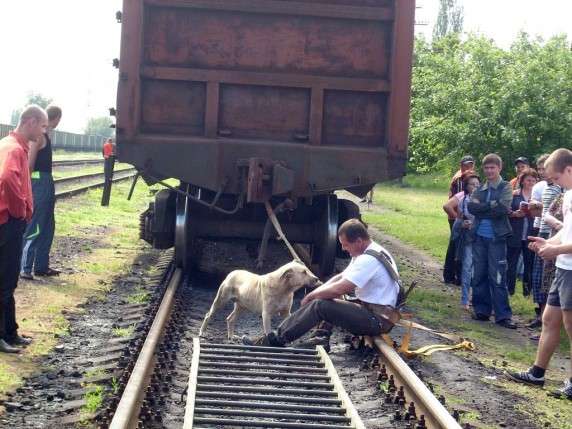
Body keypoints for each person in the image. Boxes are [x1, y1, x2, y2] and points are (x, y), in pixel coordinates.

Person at [242, 219, 400, 349]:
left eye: (346, 245)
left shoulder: (368, 260)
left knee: (321, 305)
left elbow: (339, 289)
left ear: (359, 241)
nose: (344, 249)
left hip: (376, 320)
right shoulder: (370, 251)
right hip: (373, 312)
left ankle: (276, 340)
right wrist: (319, 288)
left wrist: (312, 295)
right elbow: (340, 278)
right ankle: (320, 339)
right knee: (324, 294)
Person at [507, 148, 572, 400]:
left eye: (556, 178)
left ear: (568, 169)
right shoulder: (567, 195)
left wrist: (554, 250)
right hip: (564, 267)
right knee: (549, 319)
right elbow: (566, 233)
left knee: (569, 325)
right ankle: (537, 373)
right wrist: (547, 244)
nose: (554, 183)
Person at [0, 105, 48, 353]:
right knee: (5, 280)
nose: (43, 131)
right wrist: (20, 210)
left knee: (8, 279)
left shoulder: (11, 145)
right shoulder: (14, 149)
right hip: (8, 222)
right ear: (30, 122)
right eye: (42, 126)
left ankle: (10, 332)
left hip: (8, 222)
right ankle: (2, 336)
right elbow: (8, 178)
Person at [468, 153, 516, 329]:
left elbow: (503, 209)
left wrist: (483, 207)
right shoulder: (479, 188)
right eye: (486, 168)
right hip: (479, 237)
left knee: (497, 276)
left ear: (499, 168)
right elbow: (471, 207)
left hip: (497, 239)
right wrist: (490, 205)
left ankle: (503, 315)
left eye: (492, 167)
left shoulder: (505, 187)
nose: (489, 171)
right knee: (479, 274)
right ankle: (481, 311)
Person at [20, 105, 62, 280]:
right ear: (57, 118)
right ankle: (26, 267)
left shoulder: (45, 136)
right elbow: (30, 164)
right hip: (39, 183)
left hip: (46, 182)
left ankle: (41, 266)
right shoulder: (39, 138)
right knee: (36, 225)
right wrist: (28, 187)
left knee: (47, 226)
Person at [444, 171, 480, 310]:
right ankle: (465, 299)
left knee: (478, 271)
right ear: (467, 187)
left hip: (481, 240)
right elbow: (458, 221)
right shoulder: (463, 200)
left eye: (477, 184)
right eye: (472, 185)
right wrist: (462, 223)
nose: (475, 187)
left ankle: (476, 299)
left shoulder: (484, 200)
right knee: (466, 269)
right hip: (468, 240)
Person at [444, 155, 475, 285]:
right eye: (466, 165)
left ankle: (454, 275)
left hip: (461, 217)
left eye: (471, 165)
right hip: (457, 217)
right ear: (461, 165)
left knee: (458, 246)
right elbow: (455, 200)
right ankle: (452, 275)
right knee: (456, 246)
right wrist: (459, 217)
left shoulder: (468, 176)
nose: (469, 167)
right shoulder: (460, 179)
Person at [507, 169, 538, 296]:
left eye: (533, 180)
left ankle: (527, 291)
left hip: (531, 234)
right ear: (522, 181)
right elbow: (506, 211)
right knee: (512, 263)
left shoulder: (537, 197)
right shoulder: (514, 194)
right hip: (515, 233)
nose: (530, 182)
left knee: (529, 263)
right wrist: (515, 214)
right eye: (528, 180)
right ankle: (510, 289)